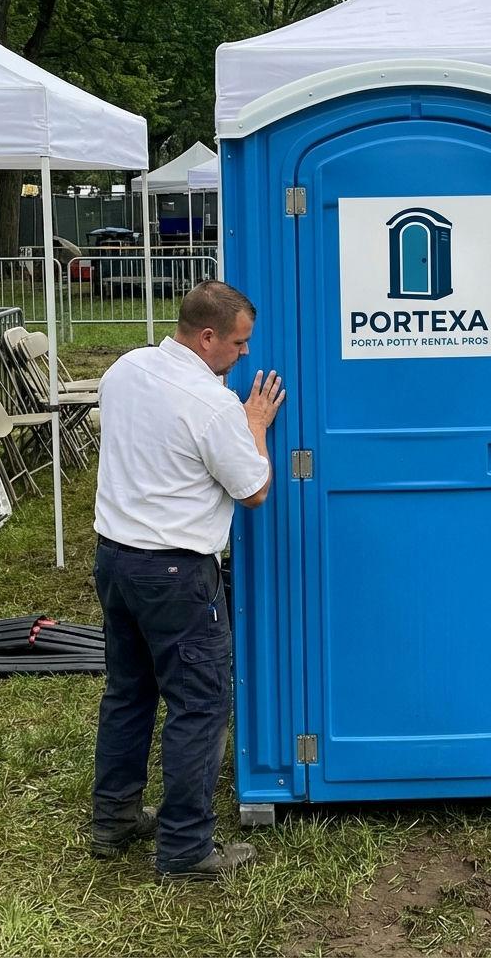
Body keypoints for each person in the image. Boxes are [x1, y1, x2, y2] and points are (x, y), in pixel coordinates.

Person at [91, 280, 286, 880]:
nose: (245, 354)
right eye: (239, 343)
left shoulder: (125, 368)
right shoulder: (212, 404)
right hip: (176, 573)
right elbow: (254, 489)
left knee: (129, 691)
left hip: (115, 559)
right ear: (207, 337)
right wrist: (254, 422)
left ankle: (115, 817)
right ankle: (184, 849)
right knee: (199, 705)